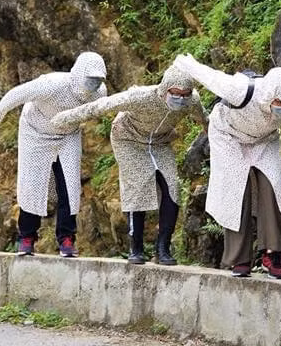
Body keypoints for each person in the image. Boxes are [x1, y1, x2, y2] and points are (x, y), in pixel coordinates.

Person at [50, 66, 207, 265]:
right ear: (165, 89)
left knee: (172, 189)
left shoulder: (192, 101)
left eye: (185, 95)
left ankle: (163, 248)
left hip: (159, 142)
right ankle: (136, 247)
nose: (181, 99)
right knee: (138, 187)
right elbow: (101, 106)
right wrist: (65, 118)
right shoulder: (141, 97)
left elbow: (203, 117)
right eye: (176, 94)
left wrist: (211, 130)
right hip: (128, 138)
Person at [172, 50, 281, 279]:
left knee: (273, 188)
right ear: (270, 94)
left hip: (264, 139)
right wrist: (186, 63)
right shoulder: (241, 91)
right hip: (228, 135)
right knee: (237, 190)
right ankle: (240, 259)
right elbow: (210, 76)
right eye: (278, 102)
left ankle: (272, 255)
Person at [0, 52, 107, 257]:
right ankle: (27, 237)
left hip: (68, 135)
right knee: (32, 184)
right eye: (90, 79)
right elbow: (18, 94)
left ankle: (67, 238)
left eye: (98, 80)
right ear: (79, 74)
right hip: (35, 131)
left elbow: (94, 111)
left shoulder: (99, 93)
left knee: (70, 185)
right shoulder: (52, 84)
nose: (93, 85)